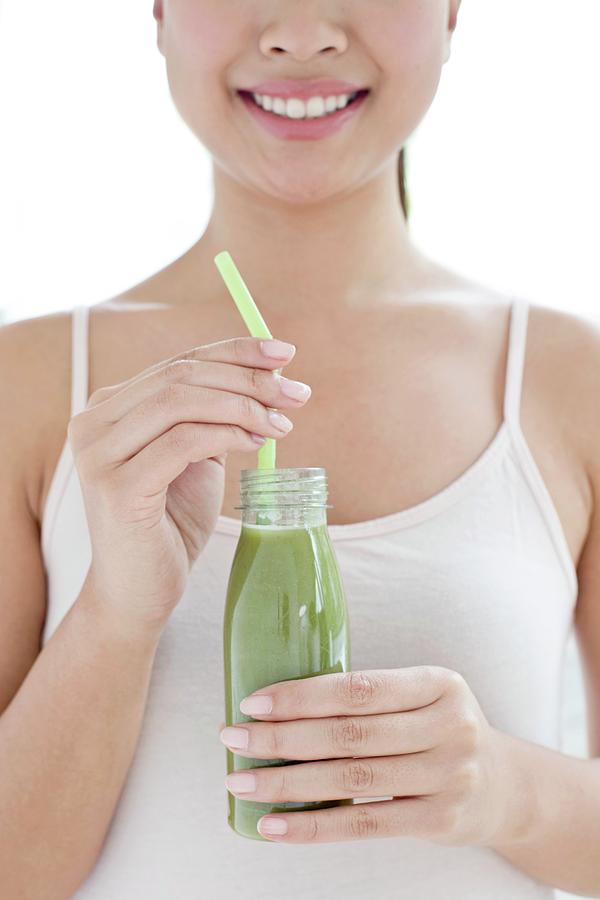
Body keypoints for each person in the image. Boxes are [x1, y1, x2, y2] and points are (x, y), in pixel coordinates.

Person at [1, 1, 599, 897]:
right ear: (158, 11)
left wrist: (512, 791)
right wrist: (118, 612)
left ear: (451, 13)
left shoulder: (569, 379)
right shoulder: (28, 382)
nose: (301, 31)